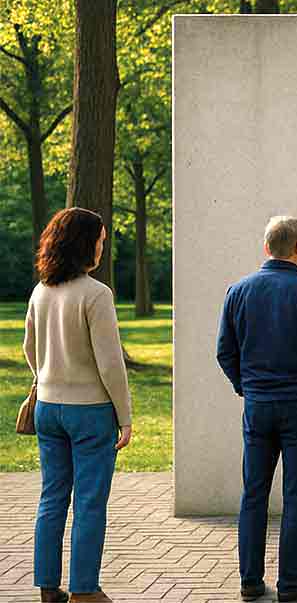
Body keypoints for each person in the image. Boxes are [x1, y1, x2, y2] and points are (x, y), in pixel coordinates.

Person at [217, 216, 297, 602]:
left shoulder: (238, 291)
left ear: (267, 247)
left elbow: (225, 352)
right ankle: (291, 581)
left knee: (253, 492)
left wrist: (246, 387)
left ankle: (250, 581)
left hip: (258, 406)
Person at [24, 208, 133, 603]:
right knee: (89, 502)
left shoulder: (41, 291)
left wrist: (48, 377)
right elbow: (110, 363)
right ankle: (85, 590)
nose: (103, 248)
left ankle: (47, 587)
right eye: (101, 240)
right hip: (90, 412)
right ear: (85, 244)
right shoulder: (96, 294)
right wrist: (125, 417)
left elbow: (29, 350)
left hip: (48, 408)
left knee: (52, 497)